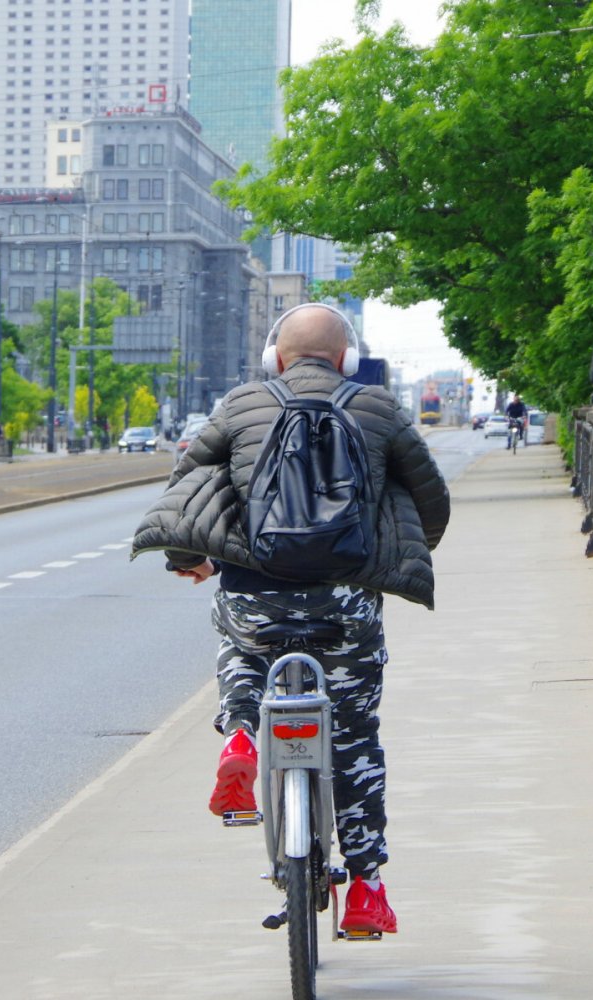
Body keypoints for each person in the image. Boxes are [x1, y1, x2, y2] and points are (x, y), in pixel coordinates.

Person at [132, 303, 451, 935]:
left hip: (256, 595)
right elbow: (431, 501)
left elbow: (186, 484)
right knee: (355, 735)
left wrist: (191, 559)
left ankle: (241, 734)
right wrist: (392, 560)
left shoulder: (241, 403)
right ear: (347, 359)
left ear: (274, 358)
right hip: (346, 602)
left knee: (239, 643)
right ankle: (366, 889)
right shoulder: (378, 407)